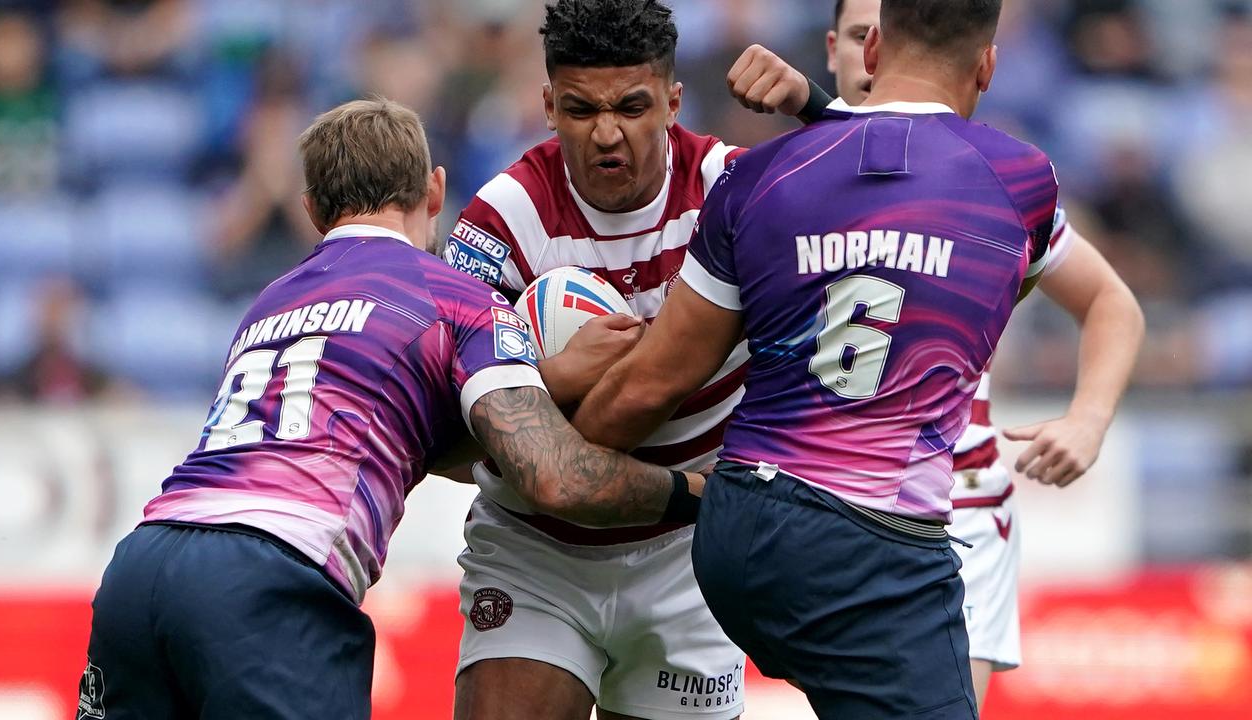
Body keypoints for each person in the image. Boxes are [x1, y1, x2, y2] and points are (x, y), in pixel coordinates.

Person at [77, 98, 702, 720]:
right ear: (435, 190)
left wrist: (551, 378)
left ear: (313, 210)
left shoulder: (267, 302)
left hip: (142, 566)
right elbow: (554, 475)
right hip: (271, 578)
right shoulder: (458, 298)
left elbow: (390, 422)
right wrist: (698, 493)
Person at [573, 0, 1066, 716]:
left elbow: (652, 384)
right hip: (874, 544)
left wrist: (544, 452)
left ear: (871, 54)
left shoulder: (756, 178)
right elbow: (987, 302)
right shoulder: (1024, 182)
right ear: (987, 67)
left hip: (738, 528)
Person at [442, 2, 824, 718]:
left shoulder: (736, 192)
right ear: (549, 103)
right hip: (537, 551)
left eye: (632, 107)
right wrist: (550, 381)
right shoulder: (500, 223)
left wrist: (816, 108)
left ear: (673, 100)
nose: (608, 133)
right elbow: (437, 440)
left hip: (690, 557)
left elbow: (891, 207)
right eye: (582, 109)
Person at [820, 0, 1143, 708]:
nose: (878, 52)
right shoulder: (777, 176)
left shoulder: (993, 180)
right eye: (859, 35)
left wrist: (1088, 418)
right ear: (840, 49)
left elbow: (1112, 303)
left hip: (955, 512)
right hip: (804, 506)